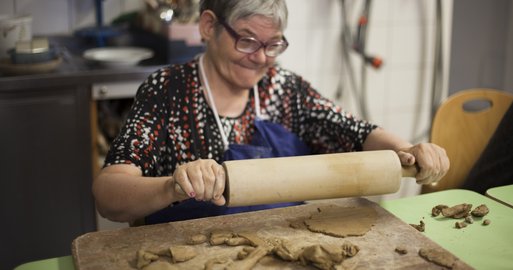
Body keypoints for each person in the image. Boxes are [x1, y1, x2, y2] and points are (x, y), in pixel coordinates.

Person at [93, 0, 450, 225]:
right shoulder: (168, 91)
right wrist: (173, 186)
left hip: (285, 247)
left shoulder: (284, 89)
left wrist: (409, 150)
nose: (262, 57)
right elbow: (109, 194)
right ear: (208, 26)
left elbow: (355, 131)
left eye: (273, 45)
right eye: (246, 41)